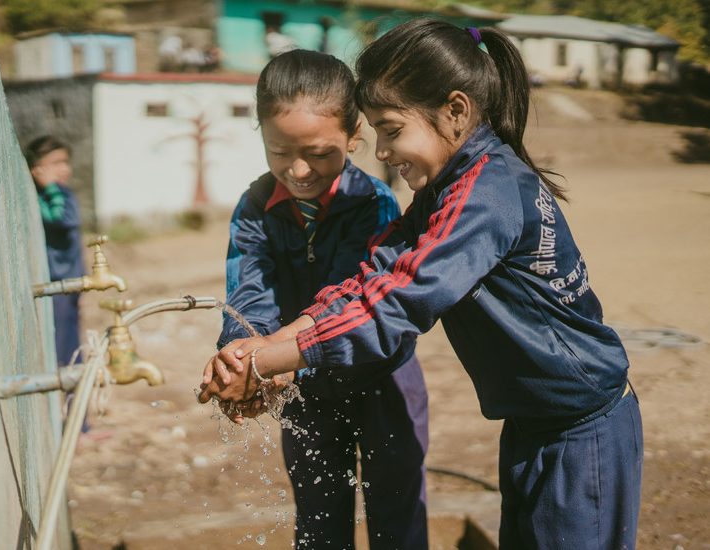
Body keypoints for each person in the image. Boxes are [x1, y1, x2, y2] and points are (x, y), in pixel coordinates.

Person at [199, 20, 643, 550]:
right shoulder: (442, 194)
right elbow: (369, 279)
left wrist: (267, 361)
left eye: (390, 129)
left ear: (456, 112)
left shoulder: (485, 193)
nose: (382, 152)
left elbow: (399, 300)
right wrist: (257, 348)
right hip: (533, 424)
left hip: (582, 428)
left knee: (399, 506)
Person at [205, 49, 429, 549]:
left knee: (397, 511)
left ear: (354, 137)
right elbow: (248, 292)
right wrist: (242, 356)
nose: (299, 169)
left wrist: (274, 362)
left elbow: (349, 301)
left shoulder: (374, 204)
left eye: (320, 152)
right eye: (279, 152)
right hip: (302, 389)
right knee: (318, 518)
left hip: (382, 378)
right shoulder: (256, 208)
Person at [25, 135, 85, 368]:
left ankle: (76, 399)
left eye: (65, 162)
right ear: (36, 169)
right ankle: (65, 395)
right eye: (55, 163)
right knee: (58, 346)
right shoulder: (44, 197)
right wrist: (49, 187)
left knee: (72, 340)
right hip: (54, 281)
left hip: (72, 279)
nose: (64, 168)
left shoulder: (62, 193)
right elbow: (63, 219)